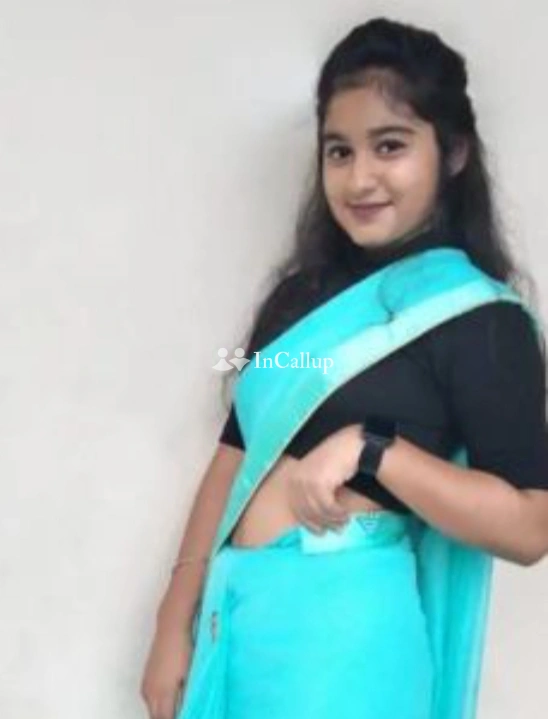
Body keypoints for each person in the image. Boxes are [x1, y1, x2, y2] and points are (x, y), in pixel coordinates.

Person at [140, 16, 548, 719]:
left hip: (345, 645)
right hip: (237, 620)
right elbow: (236, 453)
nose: (360, 178)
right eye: (339, 151)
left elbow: (529, 526)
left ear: (452, 152)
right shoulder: (300, 300)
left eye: (390, 146)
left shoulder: (479, 319)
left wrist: (374, 449)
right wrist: (173, 621)